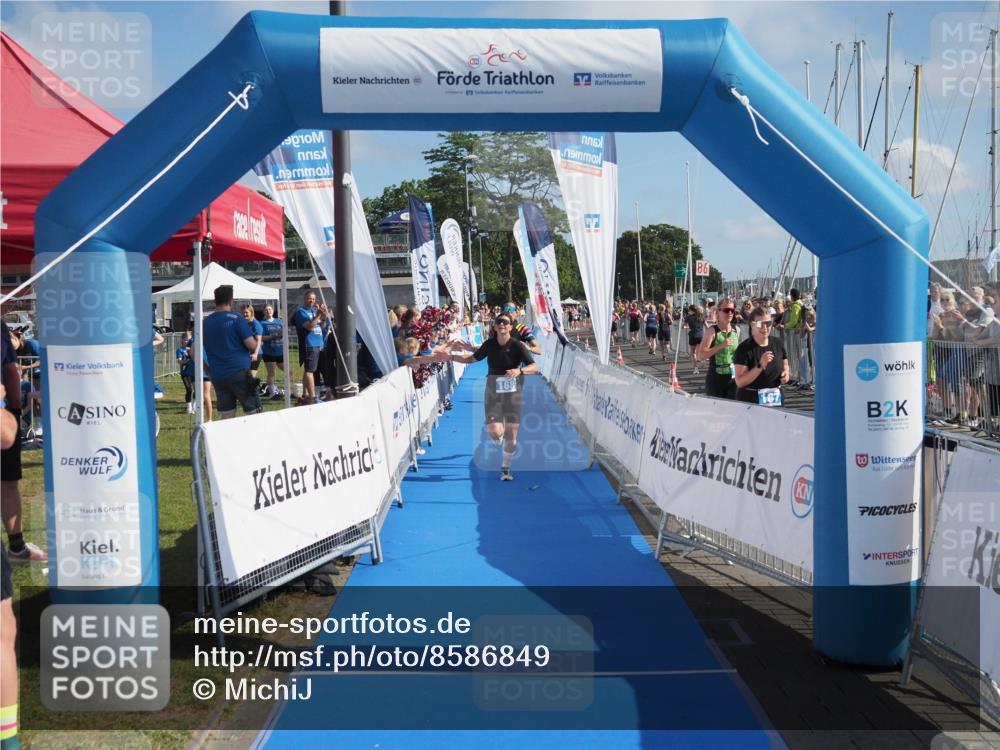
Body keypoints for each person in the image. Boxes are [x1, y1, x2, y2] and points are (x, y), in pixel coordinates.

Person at [437, 314, 538, 481]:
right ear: (495, 327)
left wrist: (519, 371)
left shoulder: (518, 346)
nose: (502, 325)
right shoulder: (489, 344)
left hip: (514, 394)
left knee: (512, 435)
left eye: (505, 322)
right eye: (498, 322)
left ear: (511, 327)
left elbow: (534, 367)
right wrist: (451, 357)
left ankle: (505, 468)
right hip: (493, 392)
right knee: (495, 432)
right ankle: (498, 435)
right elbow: (471, 359)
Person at [1, 322, 46, 564]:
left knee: (8, 481)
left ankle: (17, 547)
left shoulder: (0, 328)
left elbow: (10, 369)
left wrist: (16, 409)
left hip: (5, 415)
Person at [202, 285, 261, 419]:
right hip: (238, 371)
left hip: (218, 375)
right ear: (231, 300)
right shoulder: (236, 318)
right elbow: (251, 345)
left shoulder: (205, 322)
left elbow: (194, 350)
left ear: (215, 300)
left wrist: (208, 371)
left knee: (226, 417)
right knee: (254, 414)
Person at [733, 307, 790, 405]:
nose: (764, 328)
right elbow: (740, 382)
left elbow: (785, 363)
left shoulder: (778, 343)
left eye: (768, 323)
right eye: (760, 324)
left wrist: (786, 374)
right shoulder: (744, 348)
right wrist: (760, 365)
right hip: (751, 401)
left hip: (775, 399)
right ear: (752, 324)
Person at [698, 299, 740, 399]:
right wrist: (720, 346)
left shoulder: (736, 330)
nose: (730, 313)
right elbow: (701, 356)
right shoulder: (712, 331)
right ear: (718, 311)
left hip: (733, 377)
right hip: (716, 377)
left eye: (732, 310)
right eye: (726, 310)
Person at [292, 291, 329, 405]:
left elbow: (321, 326)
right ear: (305, 299)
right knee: (310, 371)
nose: (312, 301)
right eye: (309, 298)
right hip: (310, 344)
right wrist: (318, 315)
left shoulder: (313, 311)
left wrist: (323, 317)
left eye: (313, 299)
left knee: (311, 370)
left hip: (318, 344)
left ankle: (306, 394)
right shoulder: (301, 312)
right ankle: (313, 397)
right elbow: (309, 327)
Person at [259, 304, 285, 400]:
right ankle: (272, 393)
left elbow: (284, 333)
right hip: (269, 352)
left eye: (270, 309)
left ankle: (283, 390)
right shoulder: (262, 323)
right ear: (264, 312)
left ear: (273, 310)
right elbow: (261, 338)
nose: (268, 311)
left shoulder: (279, 322)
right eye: (266, 310)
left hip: (280, 351)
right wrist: (273, 336)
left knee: (289, 372)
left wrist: (283, 333)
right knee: (271, 372)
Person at [241, 304, 264, 383]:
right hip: (246, 353)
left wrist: (255, 354)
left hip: (255, 354)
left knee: (251, 378)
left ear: (251, 312)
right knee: (244, 377)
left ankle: (254, 394)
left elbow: (259, 340)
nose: (244, 314)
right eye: (243, 312)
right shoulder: (244, 323)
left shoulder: (256, 324)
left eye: (246, 312)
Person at [177, 333, 195, 414]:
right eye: (186, 339)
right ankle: (189, 407)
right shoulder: (180, 350)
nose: (188, 341)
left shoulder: (193, 348)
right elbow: (179, 361)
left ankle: (194, 406)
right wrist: (188, 362)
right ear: (182, 340)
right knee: (189, 389)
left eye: (189, 340)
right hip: (185, 372)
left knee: (197, 390)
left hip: (193, 372)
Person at [684, 305, 705, 375]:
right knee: (699, 352)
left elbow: (684, 326)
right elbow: (707, 326)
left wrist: (685, 327)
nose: (688, 312)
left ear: (692, 310)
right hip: (700, 336)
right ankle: (702, 361)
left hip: (692, 335)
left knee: (693, 353)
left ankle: (696, 368)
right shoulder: (701, 316)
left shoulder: (688, 317)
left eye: (689, 310)